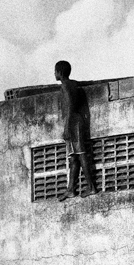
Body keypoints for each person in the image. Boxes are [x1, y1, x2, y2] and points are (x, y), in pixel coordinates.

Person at [53, 60, 92, 196]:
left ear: (60, 72)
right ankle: (70, 189)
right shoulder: (74, 84)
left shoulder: (65, 86)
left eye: (55, 71)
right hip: (77, 120)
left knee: (80, 155)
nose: (54, 74)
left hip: (73, 122)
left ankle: (91, 187)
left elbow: (69, 105)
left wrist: (67, 127)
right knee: (73, 157)